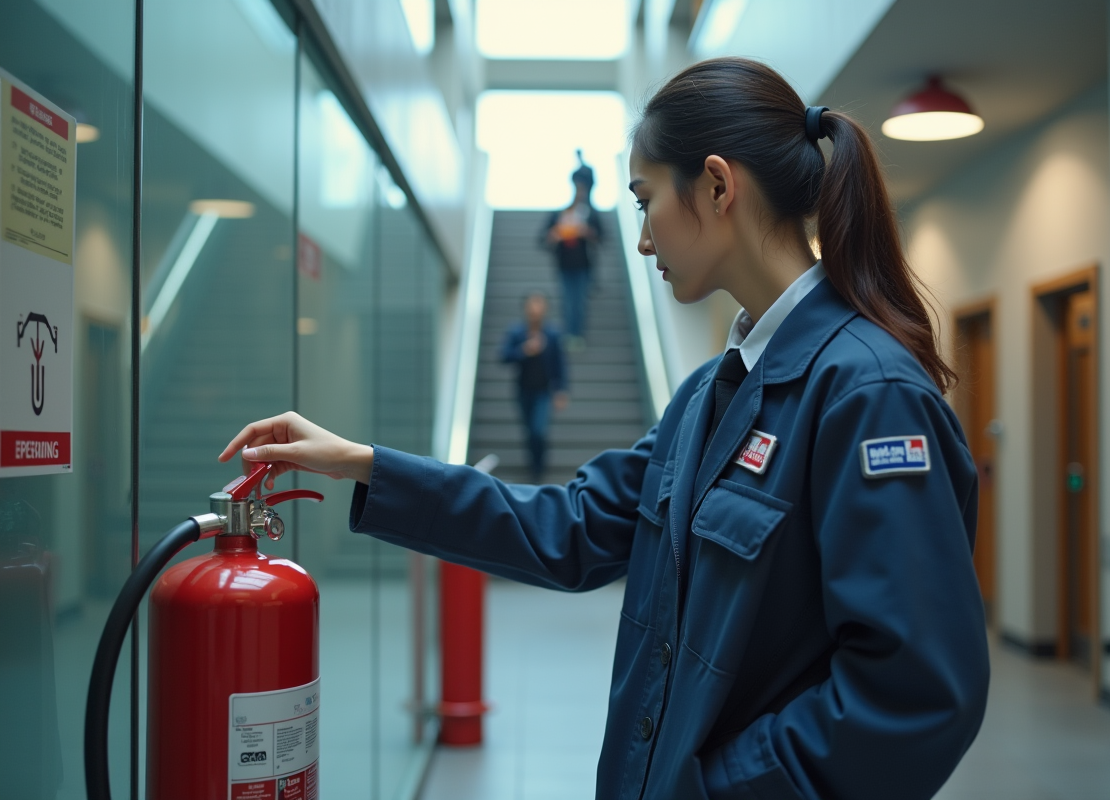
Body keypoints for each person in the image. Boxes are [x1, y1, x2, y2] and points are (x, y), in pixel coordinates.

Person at [220, 58, 989, 800]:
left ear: (717, 186)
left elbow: (912, 694)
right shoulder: (707, 397)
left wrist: (718, 788)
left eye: (645, 199)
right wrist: (362, 464)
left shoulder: (866, 392)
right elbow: (573, 527)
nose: (644, 239)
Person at [500, 292, 569, 482]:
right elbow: (504, 356)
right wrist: (524, 350)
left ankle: (539, 468)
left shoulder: (552, 334)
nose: (535, 310)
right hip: (523, 390)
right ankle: (533, 463)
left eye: (539, 305)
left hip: (544, 391)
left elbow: (560, 364)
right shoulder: (516, 332)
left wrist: (561, 390)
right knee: (529, 430)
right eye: (532, 305)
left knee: (539, 430)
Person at [542, 150, 604, 351]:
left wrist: (587, 233)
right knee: (568, 301)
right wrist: (555, 235)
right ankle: (570, 334)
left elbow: (602, 236)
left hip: (584, 265)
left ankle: (577, 334)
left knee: (579, 302)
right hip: (564, 264)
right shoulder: (561, 213)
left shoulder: (591, 214)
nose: (580, 191)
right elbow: (543, 239)